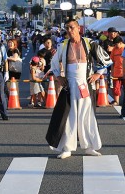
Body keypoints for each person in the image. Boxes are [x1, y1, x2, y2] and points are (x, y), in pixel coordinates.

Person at [49, 19, 111, 159]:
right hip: (70, 83)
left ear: (78, 28)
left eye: (72, 27)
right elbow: (54, 63)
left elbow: (106, 59)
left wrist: (97, 73)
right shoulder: (64, 45)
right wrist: (59, 77)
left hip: (85, 83)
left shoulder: (90, 43)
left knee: (87, 115)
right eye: (67, 28)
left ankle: (89, 147)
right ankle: (67, 148)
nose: (69, 30)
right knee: (70, 116)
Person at [109, 36, 125, 105]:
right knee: (116, 88)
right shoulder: (114, 50)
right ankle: (116, 101)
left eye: (116, 44)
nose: (115, 46)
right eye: (114, 44)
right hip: (116, 72)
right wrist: (112, 72)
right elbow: (112, 61)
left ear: (120, 43)